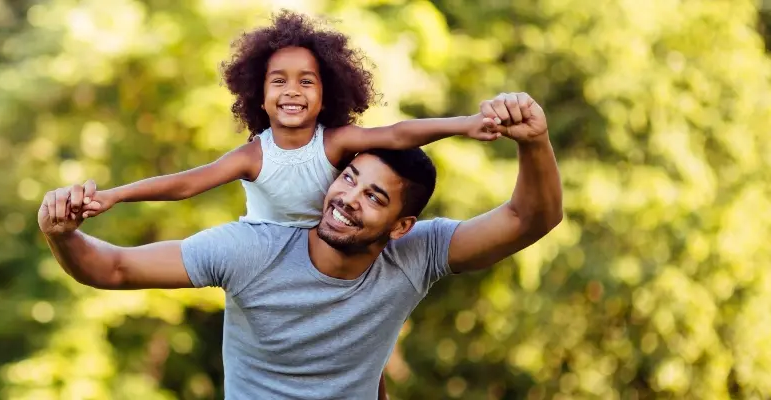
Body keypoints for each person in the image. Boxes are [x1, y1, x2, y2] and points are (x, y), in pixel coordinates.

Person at [37, 92, 563, 399]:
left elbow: (529, 218)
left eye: (374, 196)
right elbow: (113, 270)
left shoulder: (416, 254)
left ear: (401, 225)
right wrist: (63, 233)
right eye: (349, 177)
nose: (348, 198)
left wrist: (534, 140)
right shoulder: (251, 250)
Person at [74, 10, 503, 228]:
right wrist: (115, 195)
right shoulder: (253, 156)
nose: (292, 91)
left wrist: (464, 124)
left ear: (326, 94)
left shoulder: (334, 141)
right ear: (259, 96)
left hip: (327, 249)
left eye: (307, 82)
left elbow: (398, 133)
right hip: (262, 248)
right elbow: (187, 183)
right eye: (278, 81)